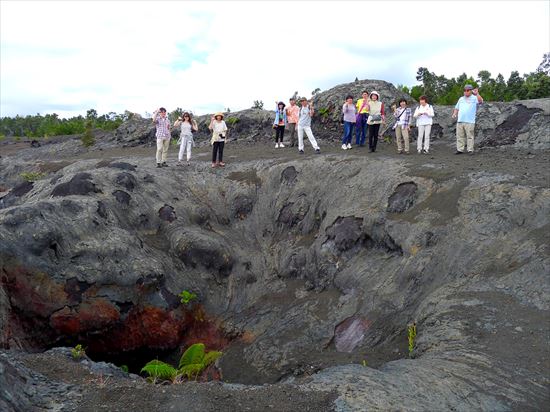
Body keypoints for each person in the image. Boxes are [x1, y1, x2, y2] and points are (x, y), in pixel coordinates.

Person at [452, 84, 483, 154]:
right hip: (460, 120)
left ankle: (470, 150)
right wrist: (454, 114)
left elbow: (480, 101)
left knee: (470, 136)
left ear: (471, 91)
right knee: (459, 136)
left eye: (468, 90)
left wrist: (477, 94)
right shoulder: (461, 99)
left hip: (470, 121)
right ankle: (460, 149)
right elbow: (457, 108)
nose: (466, 91)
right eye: (464, 90)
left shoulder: (474, 98)